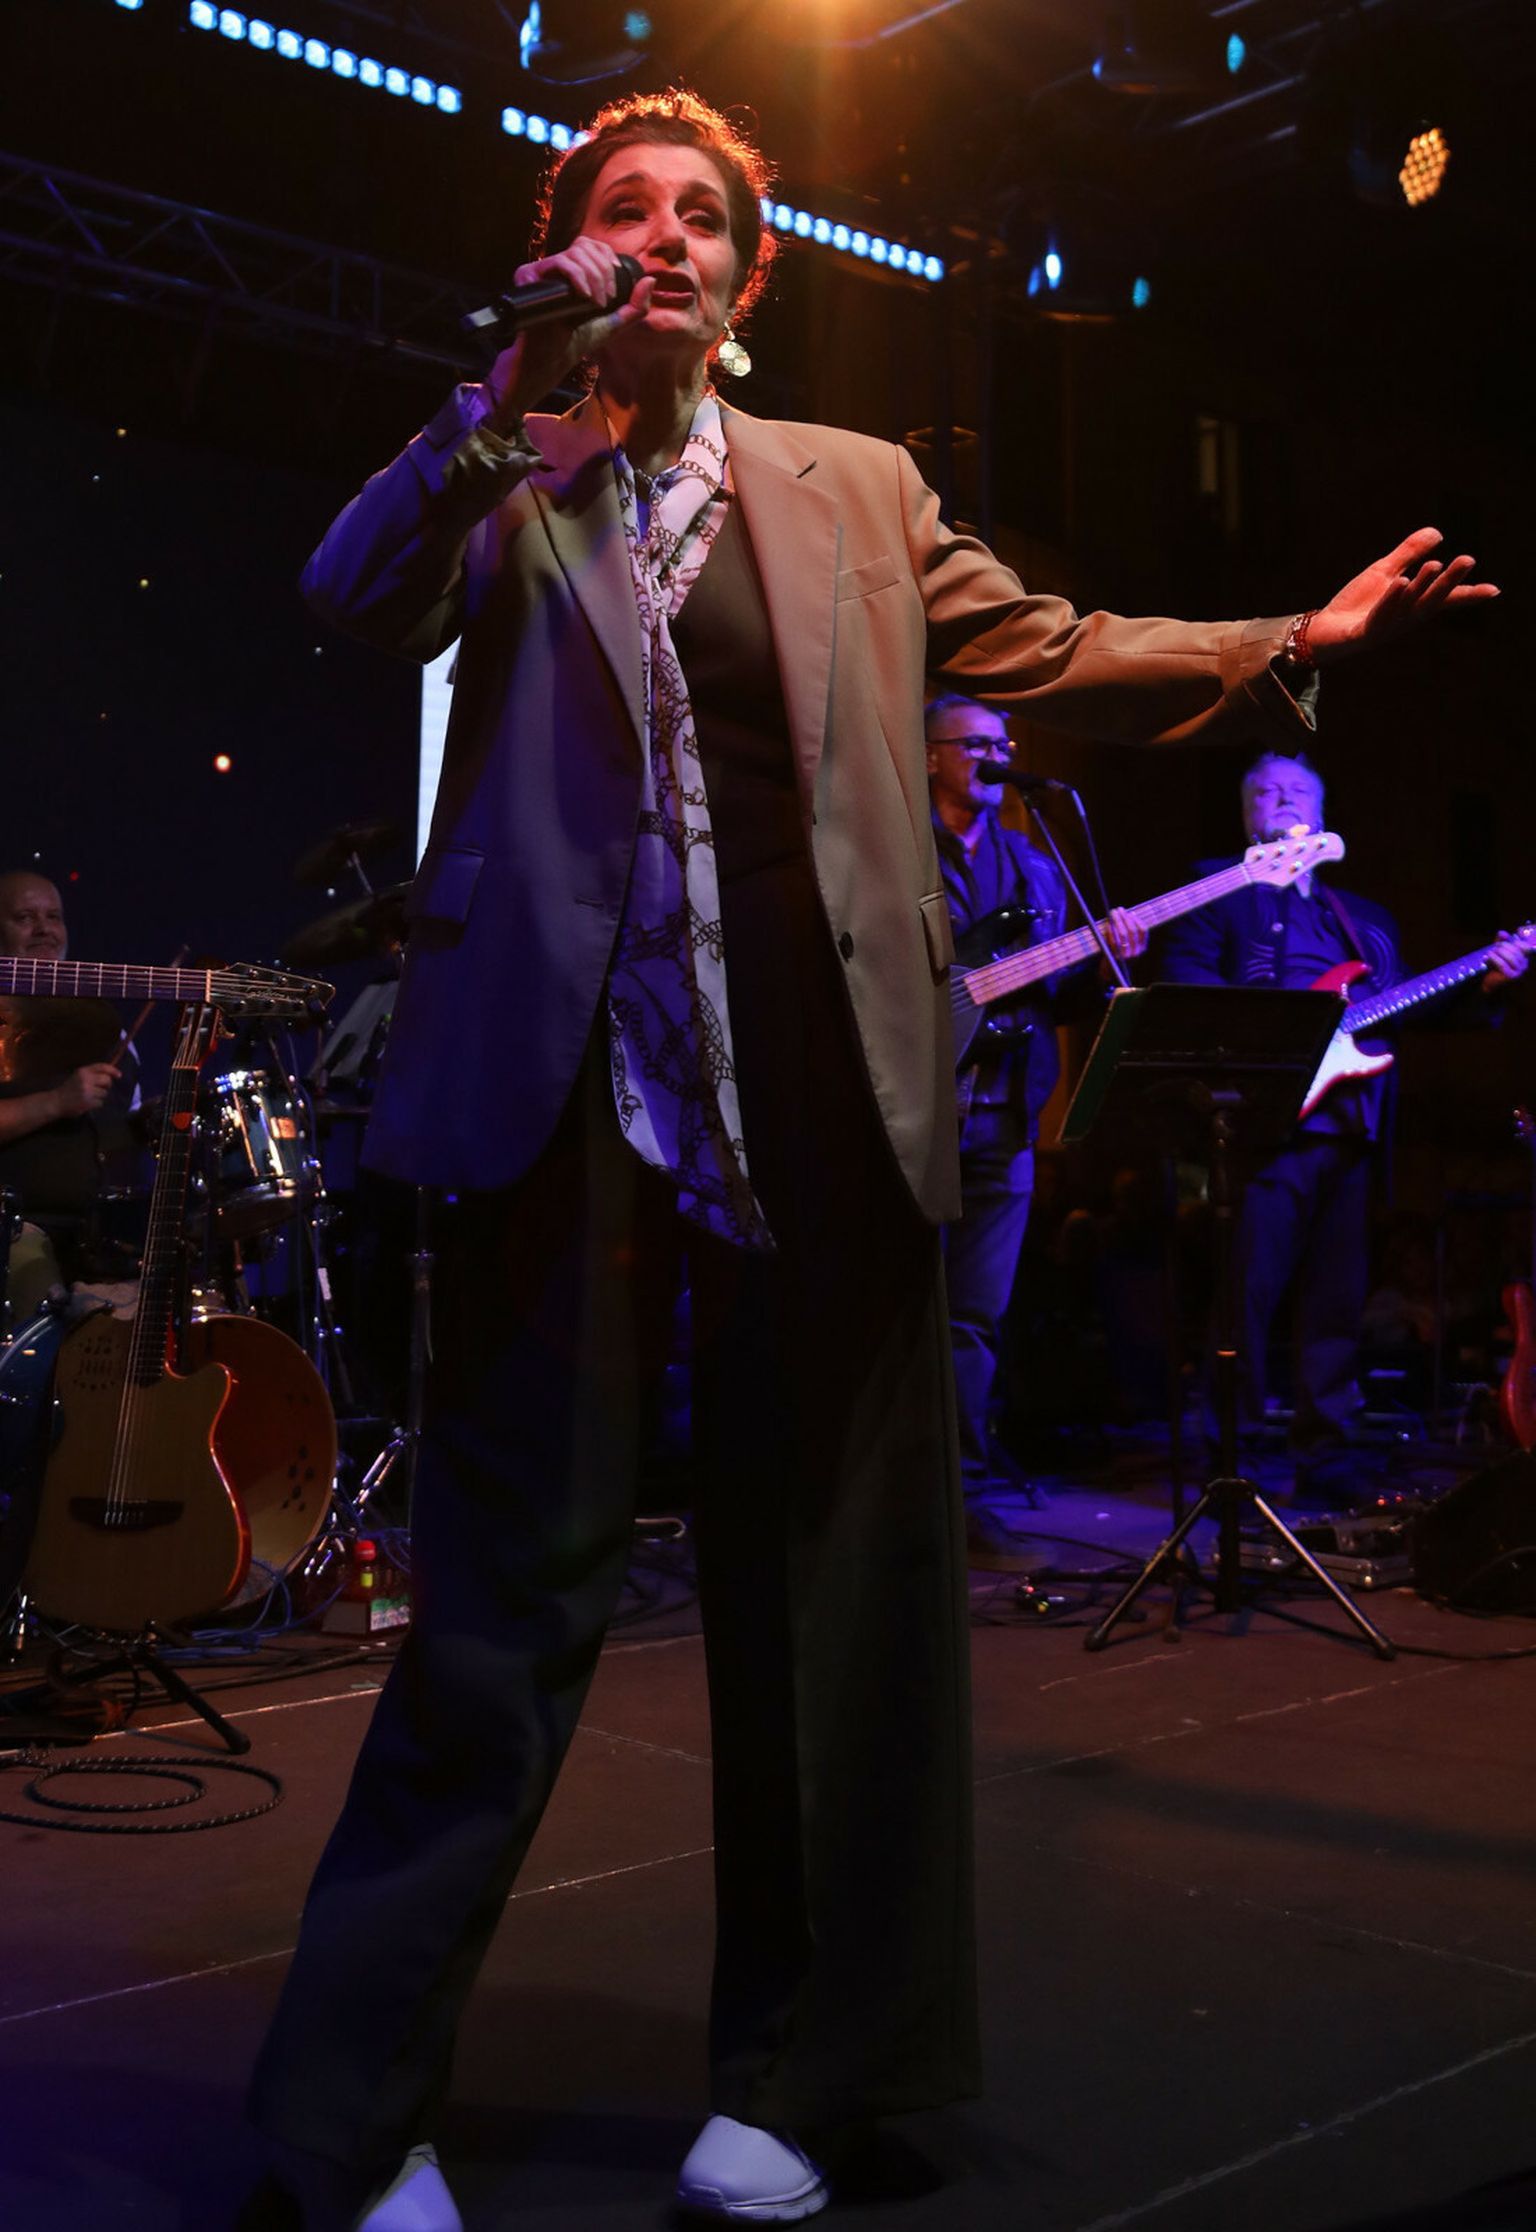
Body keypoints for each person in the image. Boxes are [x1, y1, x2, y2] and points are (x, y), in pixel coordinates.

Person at [238, 88, 1502, 2232]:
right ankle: (350, 2119)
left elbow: (1057, 648)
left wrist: (1292, 643)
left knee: (834, 1608)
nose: (661, 235)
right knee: (500, 1622)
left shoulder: (858, 486)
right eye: (621, 209)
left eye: (700, 215)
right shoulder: (513, 473)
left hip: (820, 1103)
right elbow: (350, 592)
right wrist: (504, 392)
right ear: (572, 254)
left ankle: (816, 2072)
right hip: (560, 1114)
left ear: (748, 279)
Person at [1158, 752, 1526, 1504]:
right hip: (1262, 1129)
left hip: (1351, 1130)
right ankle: (1227, 1459)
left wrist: (1486, 981)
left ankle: (1325, 1456)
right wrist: (1278, 1040)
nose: (1282, 798)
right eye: (1265, 790)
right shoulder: (1215, 892)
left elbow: (1405, 1008)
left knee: (1335, 1304)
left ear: (1322, 815)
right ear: (1245, 815)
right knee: (1246, 1298)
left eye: (1298, 790)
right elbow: (1189, 990)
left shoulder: (1365, 921)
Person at [925, 693, 1145, 1569]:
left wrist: (1109, 952)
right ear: (930, 755)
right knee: (898, 1314)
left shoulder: (1035, 867)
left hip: (1004, 1119)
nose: (995, 753)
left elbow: (1056, 996)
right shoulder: (898, 849)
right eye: (975, 742)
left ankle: (961, 1502)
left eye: (1002, 742)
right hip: (914, 1112)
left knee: (976, 1319)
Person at [0, 869, 139, 1317]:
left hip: (100, 1232)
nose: (44, 929)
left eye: (54, 917)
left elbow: (126, 1130)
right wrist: (58, 1101)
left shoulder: (107, 1027)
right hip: (17, 1228)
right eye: (25, 917)